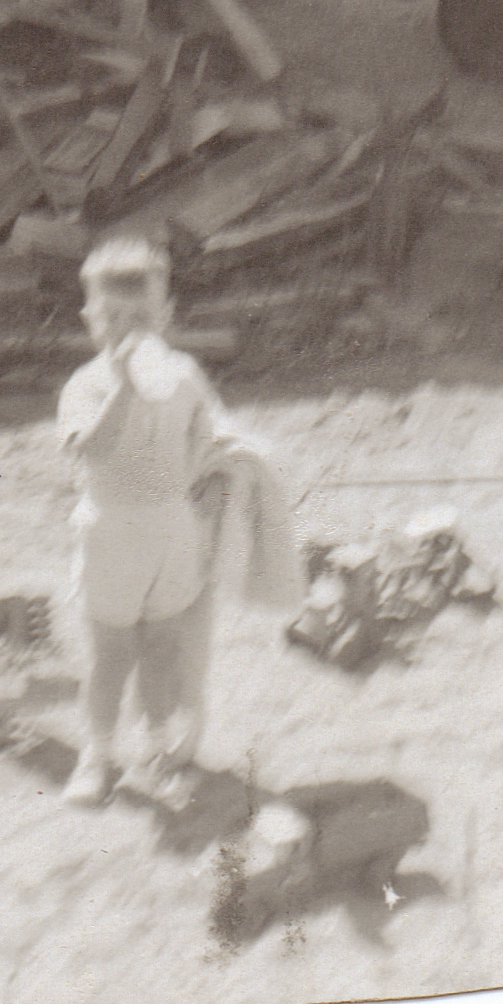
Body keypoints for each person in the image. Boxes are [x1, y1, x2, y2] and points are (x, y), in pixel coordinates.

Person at [56, 234, 302, 810]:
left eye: (140, 318)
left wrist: (224, 475)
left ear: (166, 318)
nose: (128, 330)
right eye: (112, 317)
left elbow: (213, 432)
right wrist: (123, 389)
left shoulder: (184, 373)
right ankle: (96, 754)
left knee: (165, 650)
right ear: (90, 319)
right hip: (110, 531)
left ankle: (162, 753)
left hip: (171, 529)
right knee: (110, 655)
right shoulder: (86, 384)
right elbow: (90, 450)